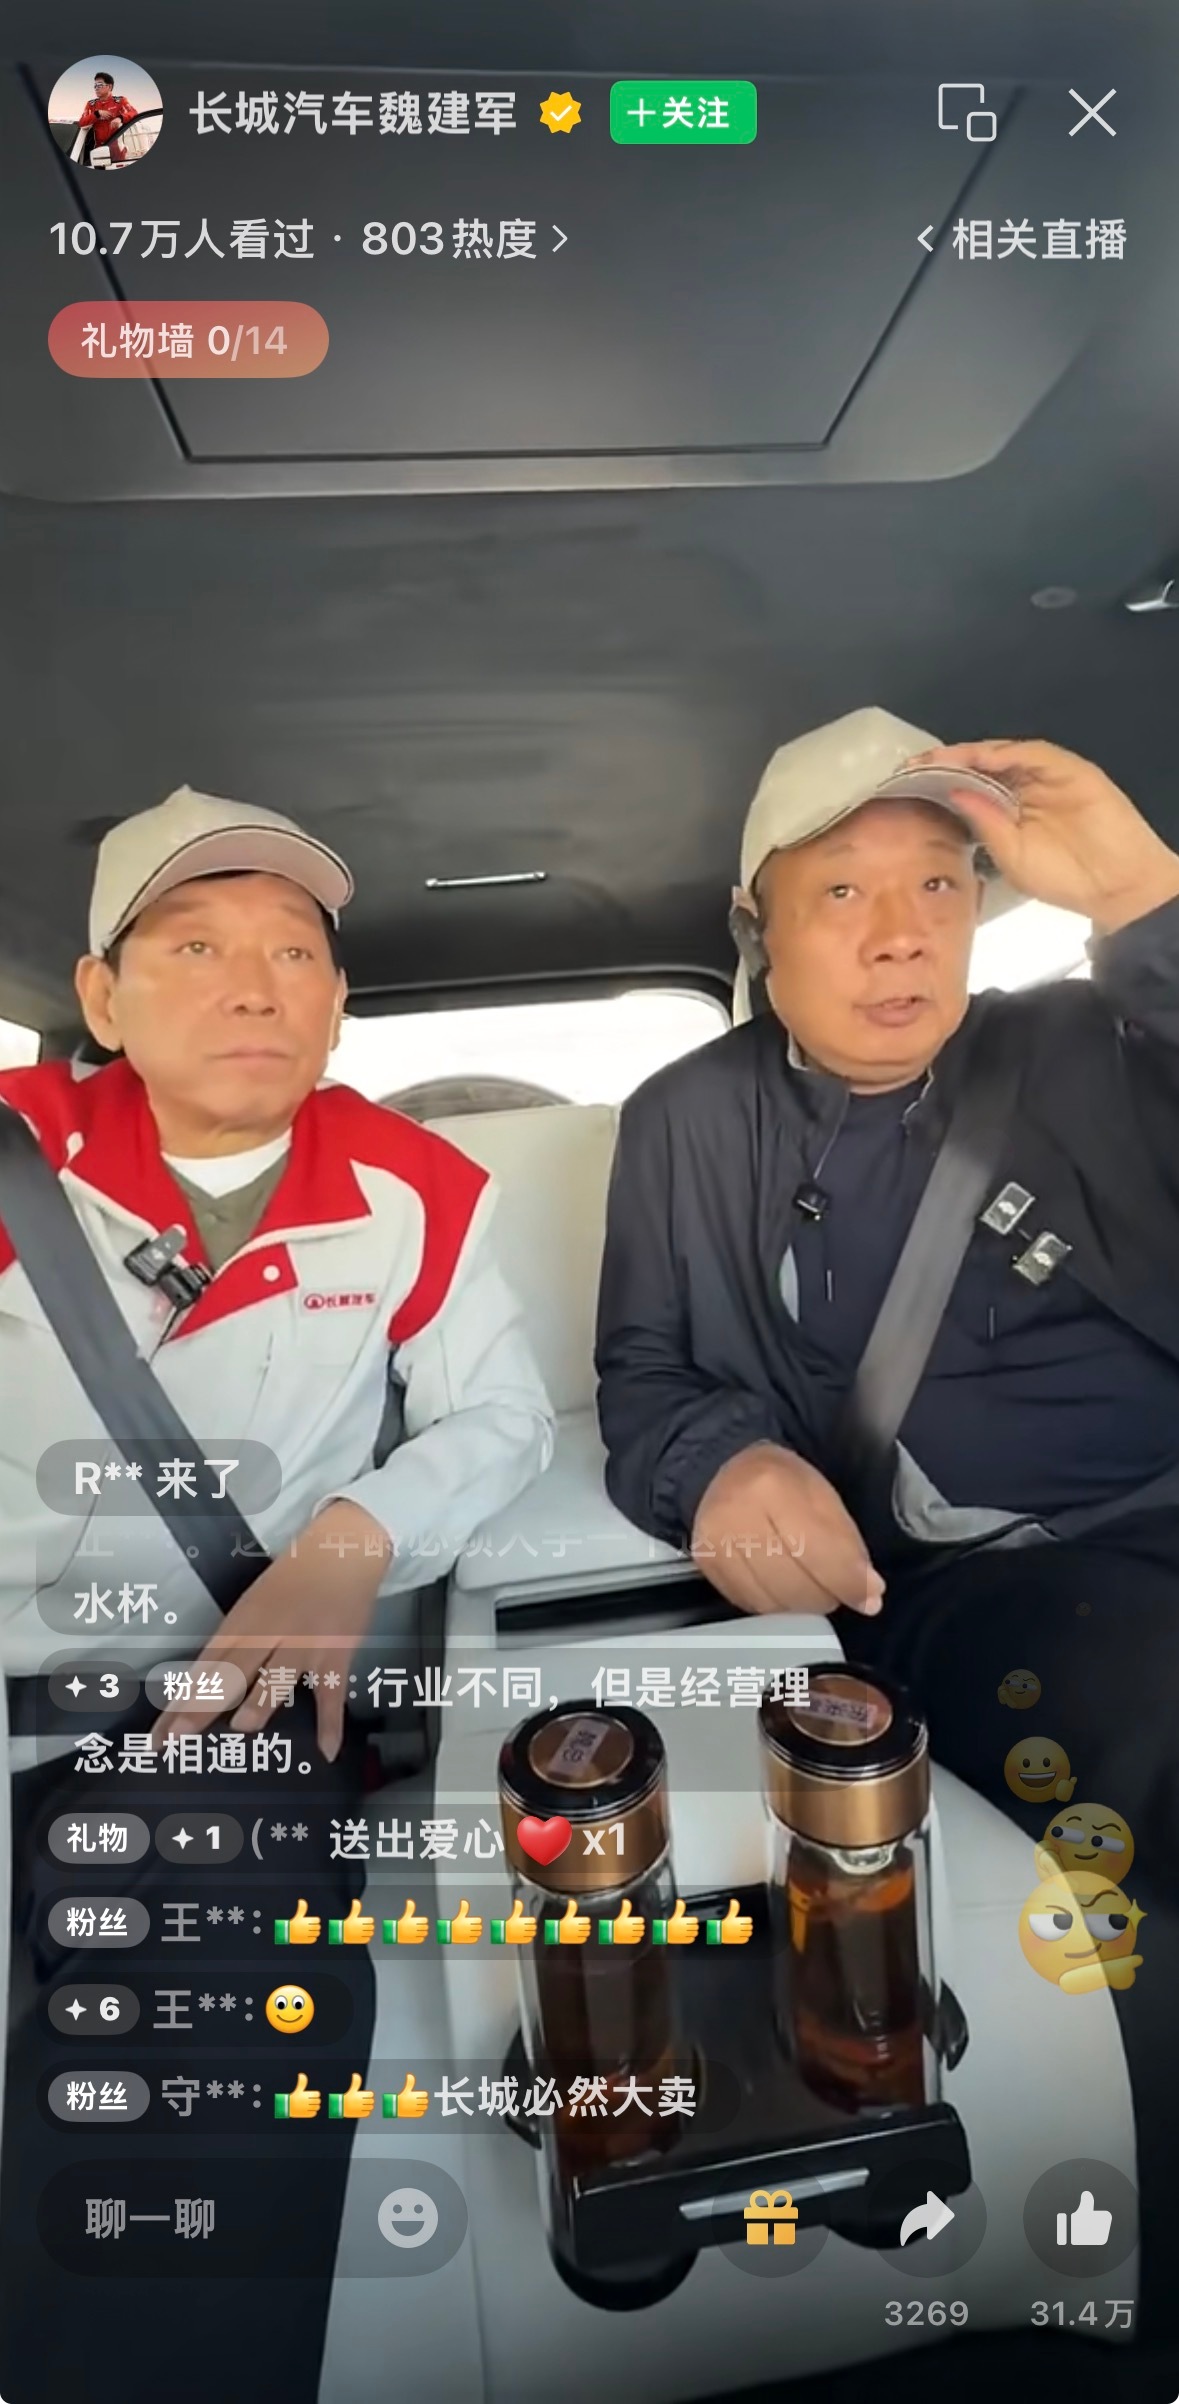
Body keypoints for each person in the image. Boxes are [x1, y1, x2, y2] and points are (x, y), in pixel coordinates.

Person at [596, 706, 1179, 2340]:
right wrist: (722, 1462)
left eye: (937, 882)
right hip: (991, 1587)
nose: (900, 930)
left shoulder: (1079, 1042)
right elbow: (643, 1373)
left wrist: (1142, 899)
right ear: (756, 925)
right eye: (840, 891)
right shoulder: (685, 1118)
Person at [0, 782, 553, 2404]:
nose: (254, 984)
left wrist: (353, 1537)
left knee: (218, 1985)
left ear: (335, 996)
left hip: (204, 1715)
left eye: (293, 950)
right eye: (193, 945)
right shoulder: (18, 1151)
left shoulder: (411, 1188)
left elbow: (500, 1419)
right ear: (102, 998)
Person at [76, 71, 138, 166]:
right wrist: (97, 113)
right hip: (98, 151)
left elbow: (134, 113)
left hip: (117, 150)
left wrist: (120, 118)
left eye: (99, 85)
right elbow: (81, 123)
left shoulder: (120, 101)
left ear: (109, 86)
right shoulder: (91, 104)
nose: (96, 88)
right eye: (95, 86)